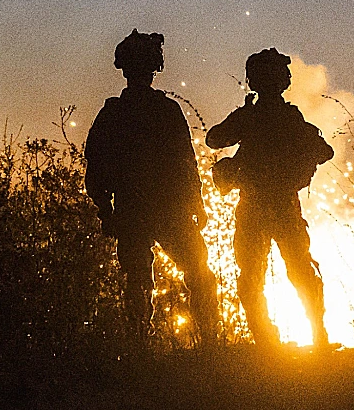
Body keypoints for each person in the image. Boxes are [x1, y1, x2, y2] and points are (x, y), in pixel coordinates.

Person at [85, 29, 219, 346]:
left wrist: (106, 210)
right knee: (196, 274)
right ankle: (210, 341)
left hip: (134, 208)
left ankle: (140, 345)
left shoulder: (113, 113)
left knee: (140, 278)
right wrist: (196, 203)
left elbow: (96, 168)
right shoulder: (165, 110)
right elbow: (186, 163)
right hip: (166, 208)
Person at [206, 48, 334, 348]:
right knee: (301, 270)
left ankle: (266, 341)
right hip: (284, 205)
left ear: (253, 81)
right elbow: (324, 151)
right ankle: (318, 335)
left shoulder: (249, 117)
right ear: (283, 81)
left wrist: (243, 116)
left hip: (253, 205)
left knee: (251, 276)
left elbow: (214, 139)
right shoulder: (291, 118)